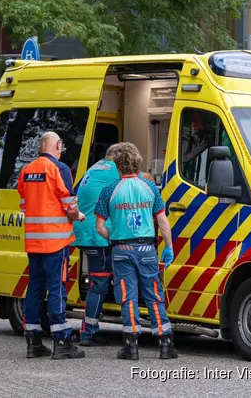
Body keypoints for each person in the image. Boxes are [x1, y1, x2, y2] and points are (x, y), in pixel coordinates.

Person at [95, 142, 178, 360]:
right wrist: (169, 248)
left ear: (117, 166)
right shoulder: (150, 188)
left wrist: (113, 238)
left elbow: (99, 227)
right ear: (137, 163)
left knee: (128, 296)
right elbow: (162, 221)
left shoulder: (109, 190)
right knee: (153, 294)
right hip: (146, 248)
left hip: (121, 249)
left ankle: (131, 346)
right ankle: (165, 343)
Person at [18, 131, 87, 359]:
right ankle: (61, 342)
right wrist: (78, 216)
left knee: (35, 289)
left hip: (33, 241)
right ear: (57, 145)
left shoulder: (27, 171)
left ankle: (33, 342)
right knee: (57, 288)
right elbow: (68, 203)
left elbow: (24, 204)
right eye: (61, 146)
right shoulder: (60, 169)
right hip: (55, 242)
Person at [72, 144, 122, 347]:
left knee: (98, 282)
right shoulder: (115, 171)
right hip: (98, 235)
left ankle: (90, 328)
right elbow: (134, 184)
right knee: (99, 284)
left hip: (85, 231)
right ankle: (88, 332)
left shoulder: (93, 169)